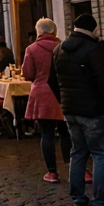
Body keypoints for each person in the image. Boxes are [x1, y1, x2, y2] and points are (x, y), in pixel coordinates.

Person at [48, 13, 104, 206]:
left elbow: (51, 81)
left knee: (78, 153)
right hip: (95, 111)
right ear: (93, 30)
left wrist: (64, 102)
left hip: (71, 111)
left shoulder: (59, 49)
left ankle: (79, 202)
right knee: (101, 155)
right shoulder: (94, 50)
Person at [23, 19, 71, 184]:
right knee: (67, 132)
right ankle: (76, 168)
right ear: (55, 31)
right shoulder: (65, 48)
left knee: (47, 134)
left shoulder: (32, 49)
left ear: (38, 32)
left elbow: (28, 74)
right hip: (63, 93)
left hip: (42, 94)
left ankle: (52, 172)